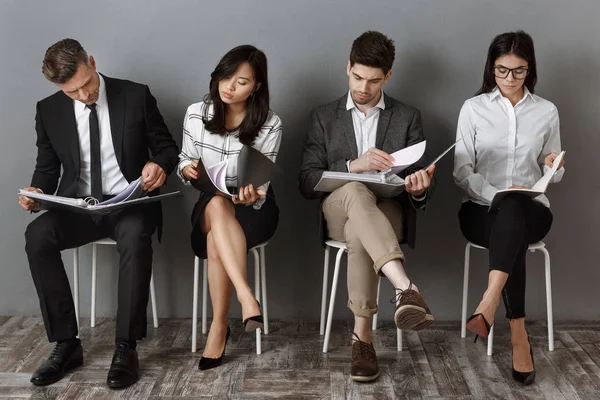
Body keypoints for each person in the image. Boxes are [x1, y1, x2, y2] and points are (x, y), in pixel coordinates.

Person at [18, 39, 179, 388]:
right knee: (37, 236)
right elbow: (46, 169)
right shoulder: (49, 110)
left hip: (129, 202)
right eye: (72, 92)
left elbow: (168, 148)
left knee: (136, 236)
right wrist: (36, 192)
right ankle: (66, 344)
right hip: (80, 206)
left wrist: (157, 165)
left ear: (91, 61)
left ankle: (126, 347)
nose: (83, 96)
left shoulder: (135, 95)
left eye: (86, 85)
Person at [299, 31, 436, 382]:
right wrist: (351, 167)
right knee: (357, 191)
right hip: (337, 206)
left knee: (359, 230)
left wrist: (420, 188)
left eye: (374, 81)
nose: (363, 87)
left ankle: (363, 340)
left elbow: (416, 188)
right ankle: (405, 288)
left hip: (387, 209)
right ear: (348, 68)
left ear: (387, 77)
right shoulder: (324, 117)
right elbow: (306, 181)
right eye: (357, 77)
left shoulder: (407, 117)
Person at [453, 30, 565, 385]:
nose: (510, 79)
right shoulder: (473, 109)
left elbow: (554, 172)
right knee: (509, 213)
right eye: (502, 70)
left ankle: (488, 301)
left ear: (529, 69)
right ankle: (519, 336)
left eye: (518, 71)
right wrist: (494, 194)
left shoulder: (546, 111)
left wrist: (552, 166)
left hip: (534, 212)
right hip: (479, 210)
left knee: (516, 206)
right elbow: (461, 170)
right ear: (492, 67)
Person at [178, 45, 282, 371]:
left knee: (215, 237)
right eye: (226, 77)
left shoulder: (270, 123)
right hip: (210, 202)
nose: (229, 86)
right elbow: (184, 159)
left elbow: (262, 185)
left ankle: (219, 327)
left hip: (253, 211)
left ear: (257, 87)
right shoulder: (196, 112)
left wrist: (252, 195)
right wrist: (186, 169)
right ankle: (246, 297)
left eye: (241, 82)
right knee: (217, 203)